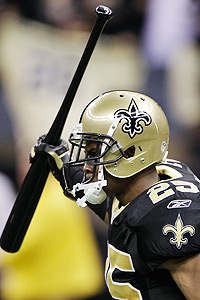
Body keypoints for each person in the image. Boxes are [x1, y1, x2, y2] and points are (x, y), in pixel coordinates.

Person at [31, 90, 200, 300]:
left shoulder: (171, 215)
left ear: (130, 153)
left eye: (94, 154)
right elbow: (118, 213)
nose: (86, 167)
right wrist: (61, 165)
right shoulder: (136, 195)